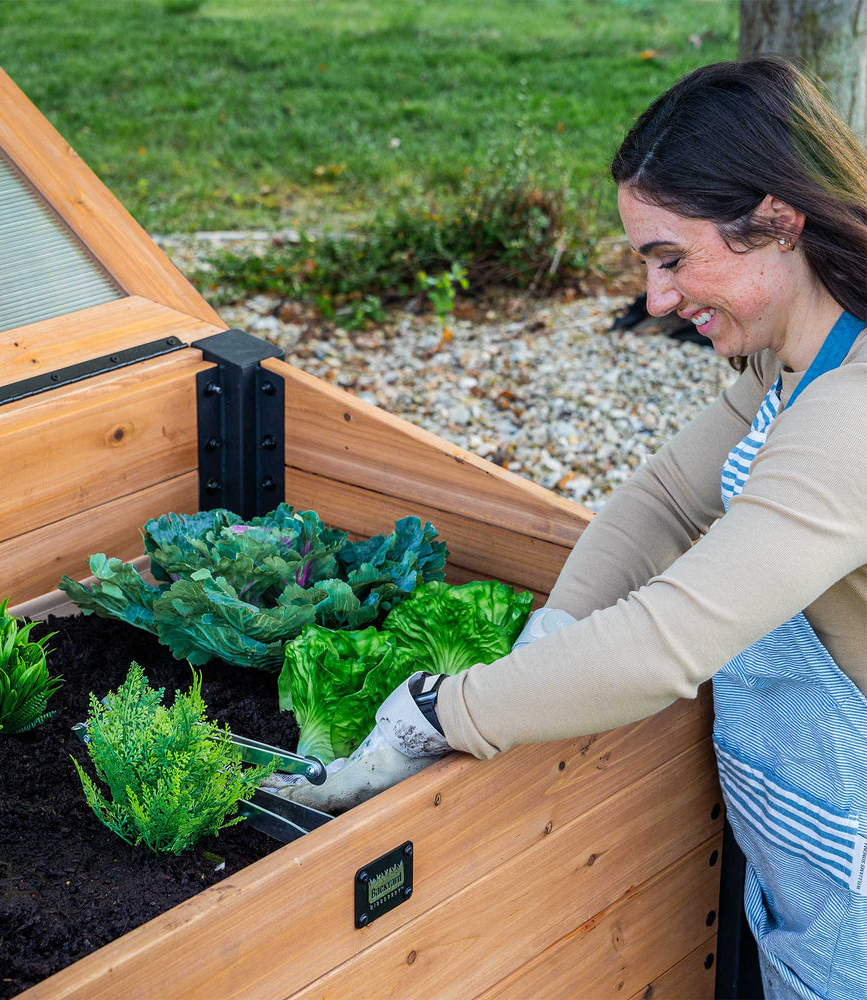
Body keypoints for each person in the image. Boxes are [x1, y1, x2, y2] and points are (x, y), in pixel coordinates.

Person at [264, 58, 867, 1000]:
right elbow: (665, 502)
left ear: (777, 222)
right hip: (818, 842)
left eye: (672, 259)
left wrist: (443, 712)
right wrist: (552, 636)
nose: (656, 300)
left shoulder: (850, 418)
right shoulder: (791, 361)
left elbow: (667, 643)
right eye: (646, 265)